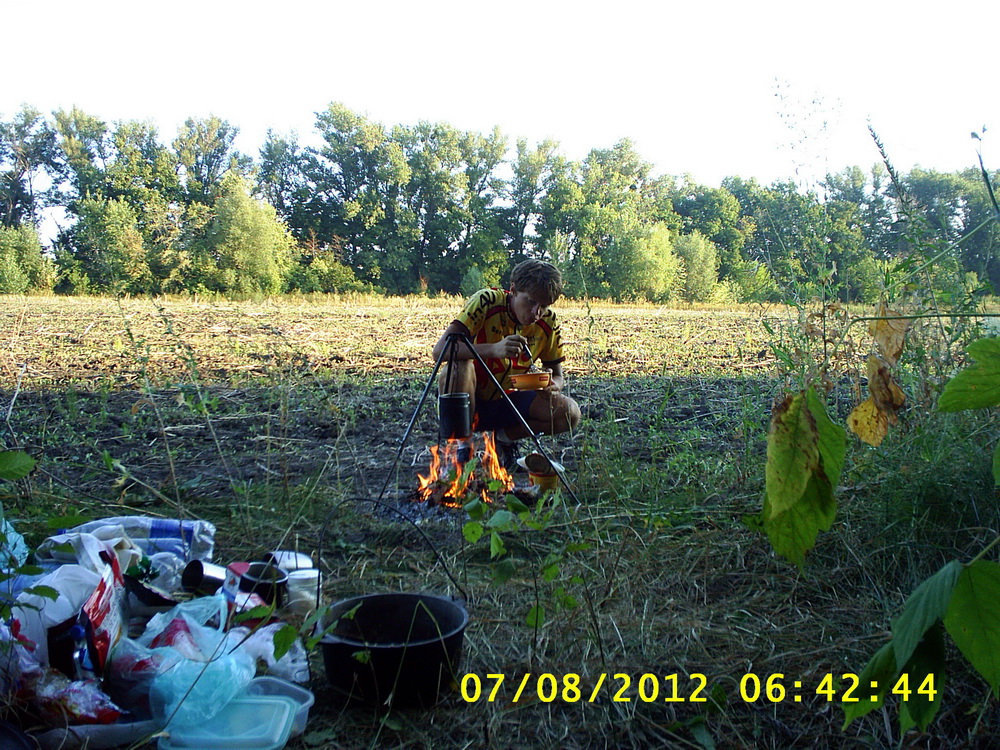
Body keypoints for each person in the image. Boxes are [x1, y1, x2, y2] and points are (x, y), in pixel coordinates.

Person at [431, 259, 582, 468]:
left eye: (543, 306)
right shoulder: (487, 301)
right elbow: (440, 351)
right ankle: (462, 447)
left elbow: (558, 375)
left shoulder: (548, 321)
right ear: (513, 290)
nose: (536, 313)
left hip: (509, 400)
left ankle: (502, 439)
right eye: (530, 302)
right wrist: (493, 349)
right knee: (458, 366)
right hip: (469, 398)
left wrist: (553, 386)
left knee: (569, 413)